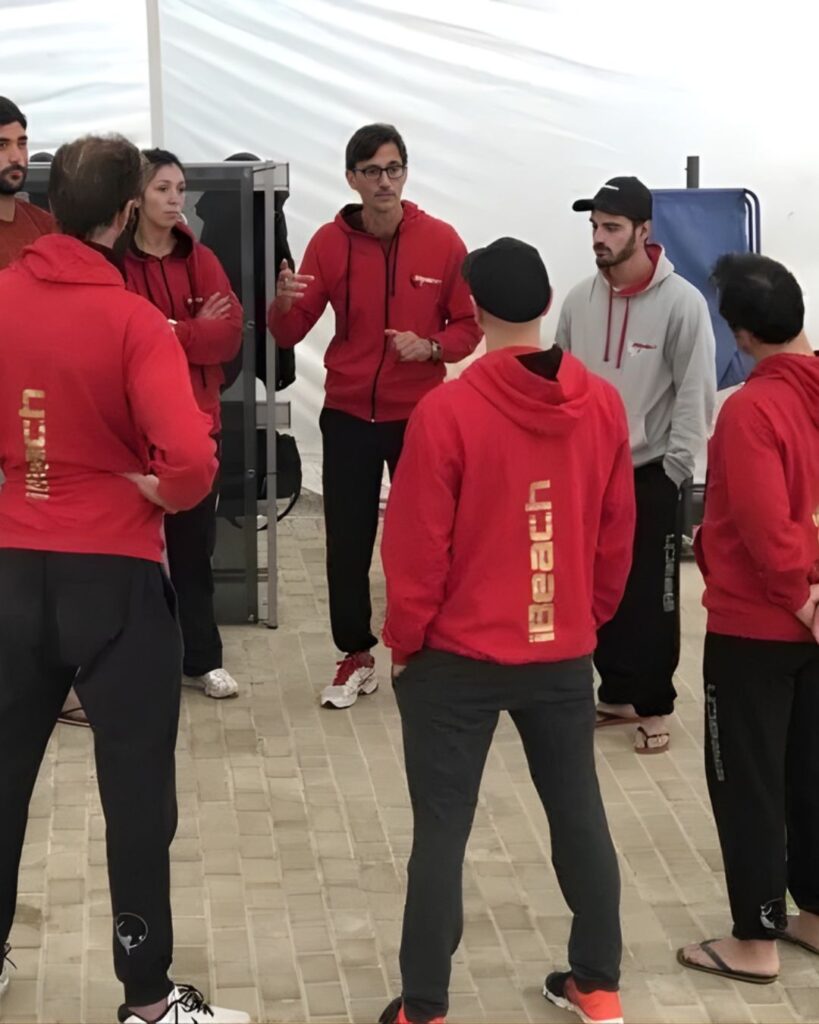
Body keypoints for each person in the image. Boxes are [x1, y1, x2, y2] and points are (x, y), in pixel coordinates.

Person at [0, 134, 248, 1023]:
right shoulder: (133, 320)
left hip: (12, 572)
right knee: (137, 795)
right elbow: (190, 460)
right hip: (114, 579)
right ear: (123, 212)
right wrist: (162, 490)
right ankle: (146, 999)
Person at [379, 238, 635, 1024]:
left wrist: (404, 641)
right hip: (560, 649)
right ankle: (597, 985)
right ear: (548, 305)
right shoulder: (601, 404)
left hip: (455, 656)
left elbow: (416, 546)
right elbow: (614, 533)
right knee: (577, 812)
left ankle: (424, 1007)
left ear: (474, 308)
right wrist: (583, 617)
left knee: (441, 830)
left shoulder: (446, 411)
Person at [268, 123, 481, 709]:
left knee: (426, 539)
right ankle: (356, 655)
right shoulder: (329, 243)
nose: (384, 181)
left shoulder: (442, 241)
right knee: (348, 541)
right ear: (351, 179)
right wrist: (281, 304)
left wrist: (431, 347)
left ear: (405, 173)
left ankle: (430, 649)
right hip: (347, 415)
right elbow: (289, 331)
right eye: (371, 171)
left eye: (393, 169)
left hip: (420, 418)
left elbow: (468, 327)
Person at [678, 254, 819, 985]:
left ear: (740, 333)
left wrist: (799, 599)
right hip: (811, 622)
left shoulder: (751, 409)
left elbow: (765, 527)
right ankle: (815, 915)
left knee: (748, 783)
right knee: (811, 773)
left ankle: (755, 941)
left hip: (756, 629)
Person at [557, 176, 716, 753]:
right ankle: (618, 693)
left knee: (653, 594)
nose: (599, 238)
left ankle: (654, 706)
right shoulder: (579, 299)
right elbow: (562, 383)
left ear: (644, 231)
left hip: (652, 473)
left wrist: (675, 472)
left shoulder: (682, 303)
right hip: (588, 471)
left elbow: (696, 394)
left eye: (612, 227)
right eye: (594, 226)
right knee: (598, 587)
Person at [124, 148, 244, 700]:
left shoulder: (201, 259)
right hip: (132, 433)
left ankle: (202, 659)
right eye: (162, 189)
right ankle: (136, 659)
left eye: (180, 189)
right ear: (136, 196)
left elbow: (230, 335)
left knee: (193, 551)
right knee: (132, 555)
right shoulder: (114, 263)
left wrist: (171, 331)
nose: (176, 200)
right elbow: (120, 341)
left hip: (196, 428)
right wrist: (189, 329)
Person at [0, 97, 90, 728]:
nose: (16, 156)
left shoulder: (44, 226)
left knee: (37, 562)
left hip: (37, 423)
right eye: (3, 144)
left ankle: (48, 683)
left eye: (21, 142)